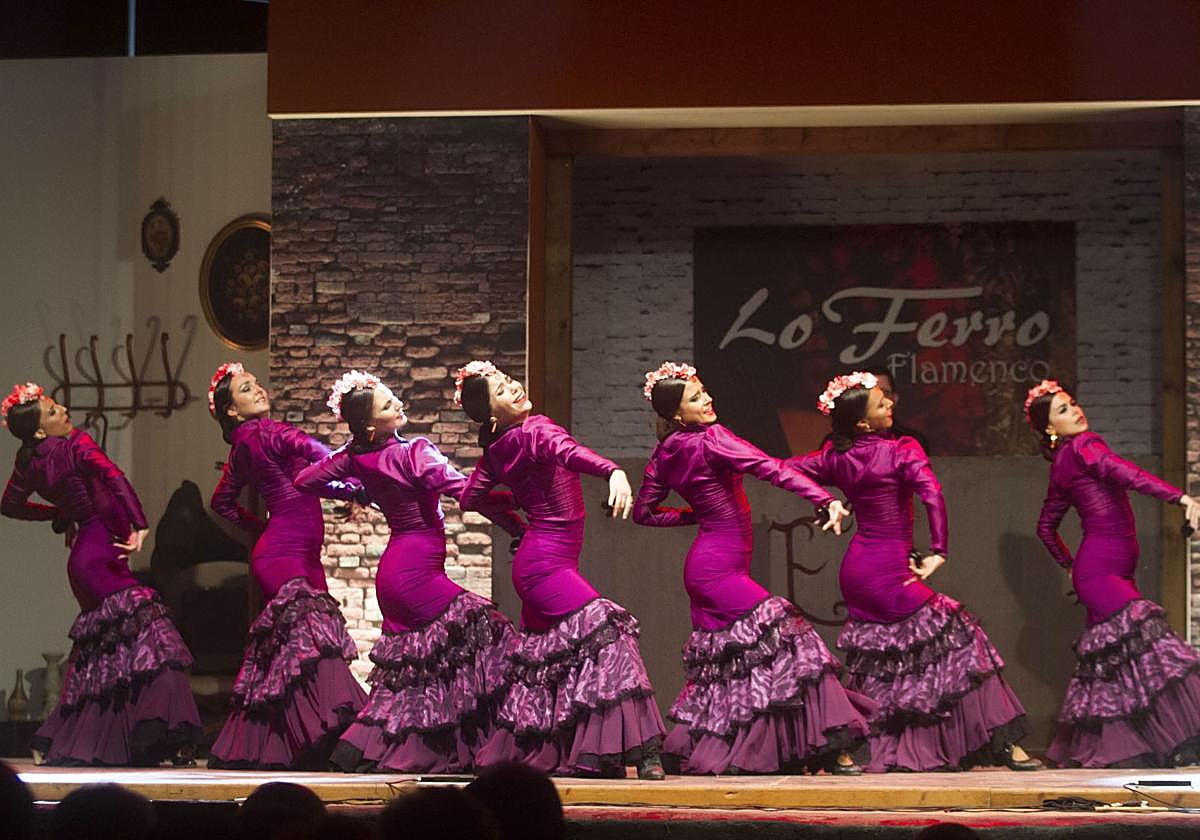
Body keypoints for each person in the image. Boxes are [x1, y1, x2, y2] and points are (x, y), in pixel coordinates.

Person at [789, 371, 1039, 772]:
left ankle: (873, 749)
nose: (890, 403)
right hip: (888, 571)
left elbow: (784, 469)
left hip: (858, 572)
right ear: (862, 422)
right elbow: (932, 493)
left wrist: (825, 500)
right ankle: (1004, 745)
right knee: (959, 635)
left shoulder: (836, 457)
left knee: (891, 662)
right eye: (881, 402)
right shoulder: (902, 449)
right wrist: (939, 549)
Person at [633, 361, 871, 775]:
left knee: (736, 668)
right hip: (721, 569)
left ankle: (770, 749)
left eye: (704, 391)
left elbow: (644, 513)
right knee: (793, 641)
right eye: (695, 398)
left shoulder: (664, 453)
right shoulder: (712, 439)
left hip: (706, 566)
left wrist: (696, 516)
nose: (707, 400)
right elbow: (770, 468)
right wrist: (823, 498)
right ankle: (828, 748)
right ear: (676, 415)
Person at [294, 370, 523, 772]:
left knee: (417, 671)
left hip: (394, 574)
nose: (397, 404)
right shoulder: (415, 452)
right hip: (416, 571)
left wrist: (359, 486)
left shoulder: (355, 455)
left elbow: (305, 479)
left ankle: (356, 750)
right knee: (490, 631)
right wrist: (517, 518)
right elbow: (463, 492)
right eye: (387, 405)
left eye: (392, 397)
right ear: (369, 424)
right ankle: (473, 742)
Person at [454, 361, 666, 779]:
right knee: (609, 632)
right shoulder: (535, 430)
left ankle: (559, 750)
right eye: (501, 389)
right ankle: (644, 752)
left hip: (537, 561)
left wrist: (518, 523)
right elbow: (569, 453)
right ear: (492, 413)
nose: (514, 388)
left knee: (546, 665)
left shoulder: (498, 447)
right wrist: (613, 471)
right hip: (544, 565)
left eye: (509, 380)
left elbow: (469, 498)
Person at [1, 382, 200, 766]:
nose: (63, 411)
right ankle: (150, 734)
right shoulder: (76, 444)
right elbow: (114, 477)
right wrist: (139, 523)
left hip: (83, 561)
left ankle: (117, 739)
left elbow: (9, 505)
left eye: (57, 404)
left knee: (112, 656)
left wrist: (57, 513)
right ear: (41, 430)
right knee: (156, 643)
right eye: (53, 410)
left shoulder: (28, 461)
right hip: (101, 554)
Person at [1027, 379, 1200, 767]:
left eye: (1072, 403)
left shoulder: (1064, 460)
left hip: (1105, 569)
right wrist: (1181, 497)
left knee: (1115, 669)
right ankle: (1182, 738)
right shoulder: (1084, 448)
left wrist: (1070, 565)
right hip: (1102, 572)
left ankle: (1132, 748)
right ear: (1051, 428)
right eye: (1063, 410)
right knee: (1155, 648)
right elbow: (1126, 474)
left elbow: (1045, 528)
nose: (1075, 410)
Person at [206, 362, 366, 769]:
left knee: (292, 657)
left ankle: (282, 744)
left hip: (289, 552)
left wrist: (263, 530)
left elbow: (226, 501)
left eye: (256, 382)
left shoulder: (246, 442)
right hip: (287, 555)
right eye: (246, 388)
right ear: (232, 410)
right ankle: (330, 738)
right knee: (315, 650)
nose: (258, 389)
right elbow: (325, 457)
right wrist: (360, 487)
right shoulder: (267, 432)